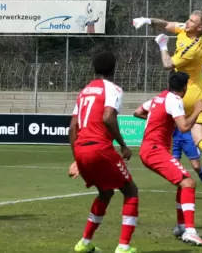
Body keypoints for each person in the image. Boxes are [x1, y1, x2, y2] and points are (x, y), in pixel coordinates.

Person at [132, 12, 202, 195]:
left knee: (172, 122)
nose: (187, 22)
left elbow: (168, 64)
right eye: (188, 19)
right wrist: (147, 20)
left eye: (192, 21)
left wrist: (163, 45)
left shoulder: (192, 48)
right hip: (201, 93)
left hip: (188, 92)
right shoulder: (187, 29)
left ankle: (158, 151)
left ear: (200, 28)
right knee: (199, 139)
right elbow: (166, 23)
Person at [69, 51, 139, 253]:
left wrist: (77, 159)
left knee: (106, 192)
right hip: (99, 147)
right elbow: (108, 118)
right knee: (130, 191)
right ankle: (123, 247)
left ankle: (84, 243)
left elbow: (73, 126)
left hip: (82, 148)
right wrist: (124, 145)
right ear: (114, 68)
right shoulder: (113, 89)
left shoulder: (84, 91)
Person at [138, 71, 202, 247]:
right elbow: (184, 127)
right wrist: (198, 111)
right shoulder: (175, 100)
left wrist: (158, 119)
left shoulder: (158, 98)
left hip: (149, 149)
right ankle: (190, 231)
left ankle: (181, 226)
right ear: (184, 88)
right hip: (155, 150)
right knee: (188, 183)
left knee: (183, 182)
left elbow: (137, 111)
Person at [134, 105, 202, 193]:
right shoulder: (166, 101)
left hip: (187, 135)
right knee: (175, 167)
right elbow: (136, 113)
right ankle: (183, 194)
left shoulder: (182, 100)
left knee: (196, 166)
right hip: (174, 136)